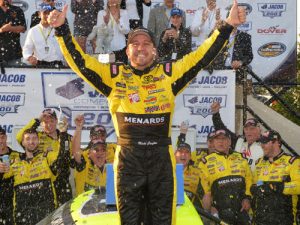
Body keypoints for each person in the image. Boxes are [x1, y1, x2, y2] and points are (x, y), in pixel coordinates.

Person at [48, 1, 245, 224]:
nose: (140, 47)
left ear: (154, 50)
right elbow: (80, 63)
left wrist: (227, 25)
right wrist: (62, 30)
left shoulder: (169, 74)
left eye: (146, 43)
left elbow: (201, 56)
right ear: (127, 49)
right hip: (128, 162)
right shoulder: (113, 76)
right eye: (134, 43)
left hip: (161, 161)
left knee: (163, 220)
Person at [2, 128, 69, 225]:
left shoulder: (46, 157)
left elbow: (63, 157)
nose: (31, 141)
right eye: (28, 139)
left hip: (46, 213)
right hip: (23, 215)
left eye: (34, 138)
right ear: (23, 142)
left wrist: (63, 134)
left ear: (38, 141)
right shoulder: (14, 162)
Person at [16, 108, 73, 207]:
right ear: (41, 124)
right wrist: (38, 119)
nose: (49, 124)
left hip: (63, 181)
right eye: (45, 122)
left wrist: (63, 134)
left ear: (56, 121)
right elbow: (20, 137)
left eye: (51, 121)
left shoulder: (66, 137)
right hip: (44, 182)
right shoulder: (37, 137)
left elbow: (70, 157)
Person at [199, 129, 252, 225]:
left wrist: (248, 198)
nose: (220, 142)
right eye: (217, 139)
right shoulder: (205, 162)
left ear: (230, 141)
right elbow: (204, 191)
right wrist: (210, 208)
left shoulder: (242, 158)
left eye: (223, 139)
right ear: (213, 143)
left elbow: (250, 181)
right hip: (219, 213)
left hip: (241, 210)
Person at [250, 130, 300, 225]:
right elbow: (255, 187)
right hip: (261, 219)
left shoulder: (292, 162)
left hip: (284, 219)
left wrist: (277, 187)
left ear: (276, 143)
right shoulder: (259, 163)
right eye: (261, 142)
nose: (262, 145)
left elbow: (298, 186)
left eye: (265, 142)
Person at [211, 101, 263, 171]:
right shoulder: (239, 141)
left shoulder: (265, 143)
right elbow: (221, 129)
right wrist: (215, 113)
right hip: (240, 179)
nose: (249, 132)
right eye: (246, 129)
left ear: (260, 130)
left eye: (252, 129)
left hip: (258, 180)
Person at [72, 114, 108, 196]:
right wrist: (78, 128)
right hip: (84, 205)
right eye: (96, 135)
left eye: (102, 135)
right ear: (90, 137)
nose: (100, 137)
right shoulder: (84, 155)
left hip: (105, 203)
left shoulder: (112, 150)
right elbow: (75, 151)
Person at [22, 3, 65, 68]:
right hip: (40, 65)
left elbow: (66, 47)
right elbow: (27, 48)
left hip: (58, 65)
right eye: (45, 13)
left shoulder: (58, 29)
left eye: (49, 13)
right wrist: (29, 57)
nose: (47, 15)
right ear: (39, 14)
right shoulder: (33, 31)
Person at [175, 142, 203, 209]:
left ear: (190, 156)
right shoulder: (167, 171)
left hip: (191, 211)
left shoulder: (198, 172)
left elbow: (204, 195)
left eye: (187, 152)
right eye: (180, 151)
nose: (183, 154)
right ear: (175, 154)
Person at [0, 127, 19, 225]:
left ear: (6, 138)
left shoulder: (17, 156)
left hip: (12, 203)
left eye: (2, 137)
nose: (0, 141)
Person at [0, 0, 26, 65]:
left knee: (17, 74)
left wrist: (10, 28)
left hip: (15, 53)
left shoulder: (17, 10)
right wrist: (1, 30)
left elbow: (23, 28)